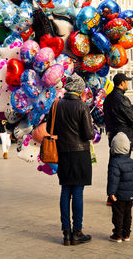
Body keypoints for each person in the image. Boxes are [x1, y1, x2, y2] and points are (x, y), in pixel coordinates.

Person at [47, 73, 95, 246]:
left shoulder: (56, 105)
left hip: (62, 153)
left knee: (65, 190)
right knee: (78, 192)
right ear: (79, 89)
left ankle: (66, 232)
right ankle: (78, 231)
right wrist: (94, 129)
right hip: (80, 153)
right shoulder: (82, 106)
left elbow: (48, 127)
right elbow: (89, 134)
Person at [107, 132, 133, 243]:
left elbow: (113, 180)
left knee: (118, 215)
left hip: (118, 195)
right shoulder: (132, 162)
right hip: (129, 195)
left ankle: (117, 234)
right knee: (128, 215)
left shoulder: (114, 162)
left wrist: (111, 193)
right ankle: (127, 234)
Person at [103, 73, 133, 150]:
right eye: (126, 82)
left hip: (112, 134)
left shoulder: (108, 98)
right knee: (123, 159)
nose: (127, 84)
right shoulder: (122, 98)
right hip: (124, 136)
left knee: (114, 158)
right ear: (122, 83)